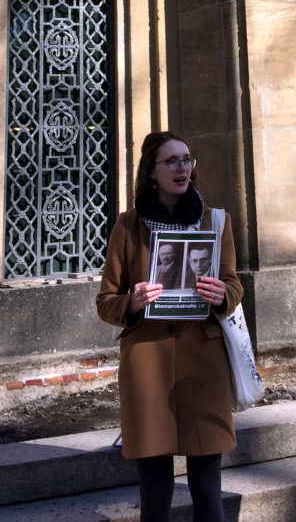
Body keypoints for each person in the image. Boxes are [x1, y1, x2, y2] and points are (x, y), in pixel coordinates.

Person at [96, 131, 243, 522]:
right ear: (152, 172)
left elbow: (233, 282)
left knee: (208, 489)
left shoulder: (216, 220)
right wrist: (133, 301)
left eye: (187, 160)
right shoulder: (127, 227)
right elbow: (105, 301)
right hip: (148, 364)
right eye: (172, 161)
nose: (183, 168)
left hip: (203, 363)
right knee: (156, 490)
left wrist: (220, 292)